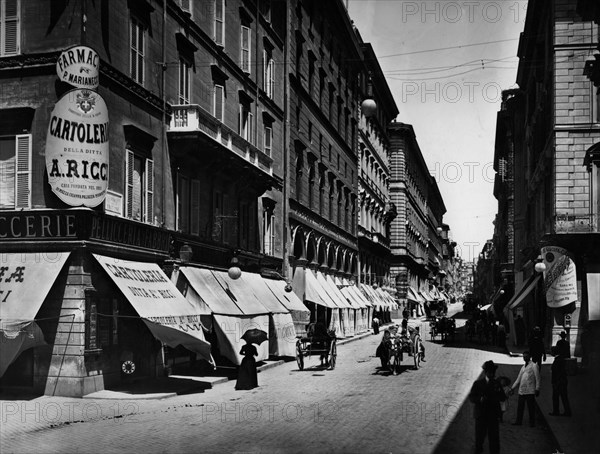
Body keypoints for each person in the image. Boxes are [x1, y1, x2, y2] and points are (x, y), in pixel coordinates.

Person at [468, 360, 506, 454]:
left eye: (493, 372)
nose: (492, 374)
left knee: (494, 439)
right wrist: (480, 399)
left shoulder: (497, 384)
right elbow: (471, 397)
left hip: (493, 416)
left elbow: (503, 398)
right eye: (490, 372)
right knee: (479, 438)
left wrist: (498, 393)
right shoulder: (478, 383)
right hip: (481, 415)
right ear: (486, 372)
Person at [509, 351, 541, 427]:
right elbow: (518, 379)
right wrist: (512, 388)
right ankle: (518, 421)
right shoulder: (523, 367)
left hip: (530, 390)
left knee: (531, 408)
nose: (524, 358)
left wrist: (537, 388)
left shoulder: (534, 365)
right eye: (523, 357)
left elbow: (538, 378)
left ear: (529, 357)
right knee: (520, 407)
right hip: (522, 390)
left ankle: (532, 423)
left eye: (526, 356)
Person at [549, 347, 572, 417]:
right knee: (563, 397)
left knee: (557, 397)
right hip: (561, 381)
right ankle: (564, 411)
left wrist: (556, 382)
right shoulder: (560, 359)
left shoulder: (558, 360)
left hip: (559, 382)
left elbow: (558, 372)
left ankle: (558, 411)